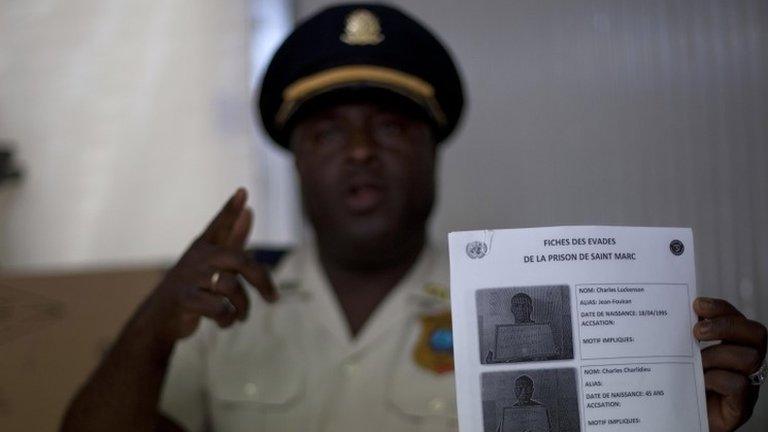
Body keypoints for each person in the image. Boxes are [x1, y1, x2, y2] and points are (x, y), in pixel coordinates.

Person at [61, 3, 766, 432]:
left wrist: (668, 415)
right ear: (296, 159)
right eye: (328, 131)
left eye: (392, 127)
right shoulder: (223, 311)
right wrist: (152, 325)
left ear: (432, 149)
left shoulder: (542, 313)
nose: (362, 151)